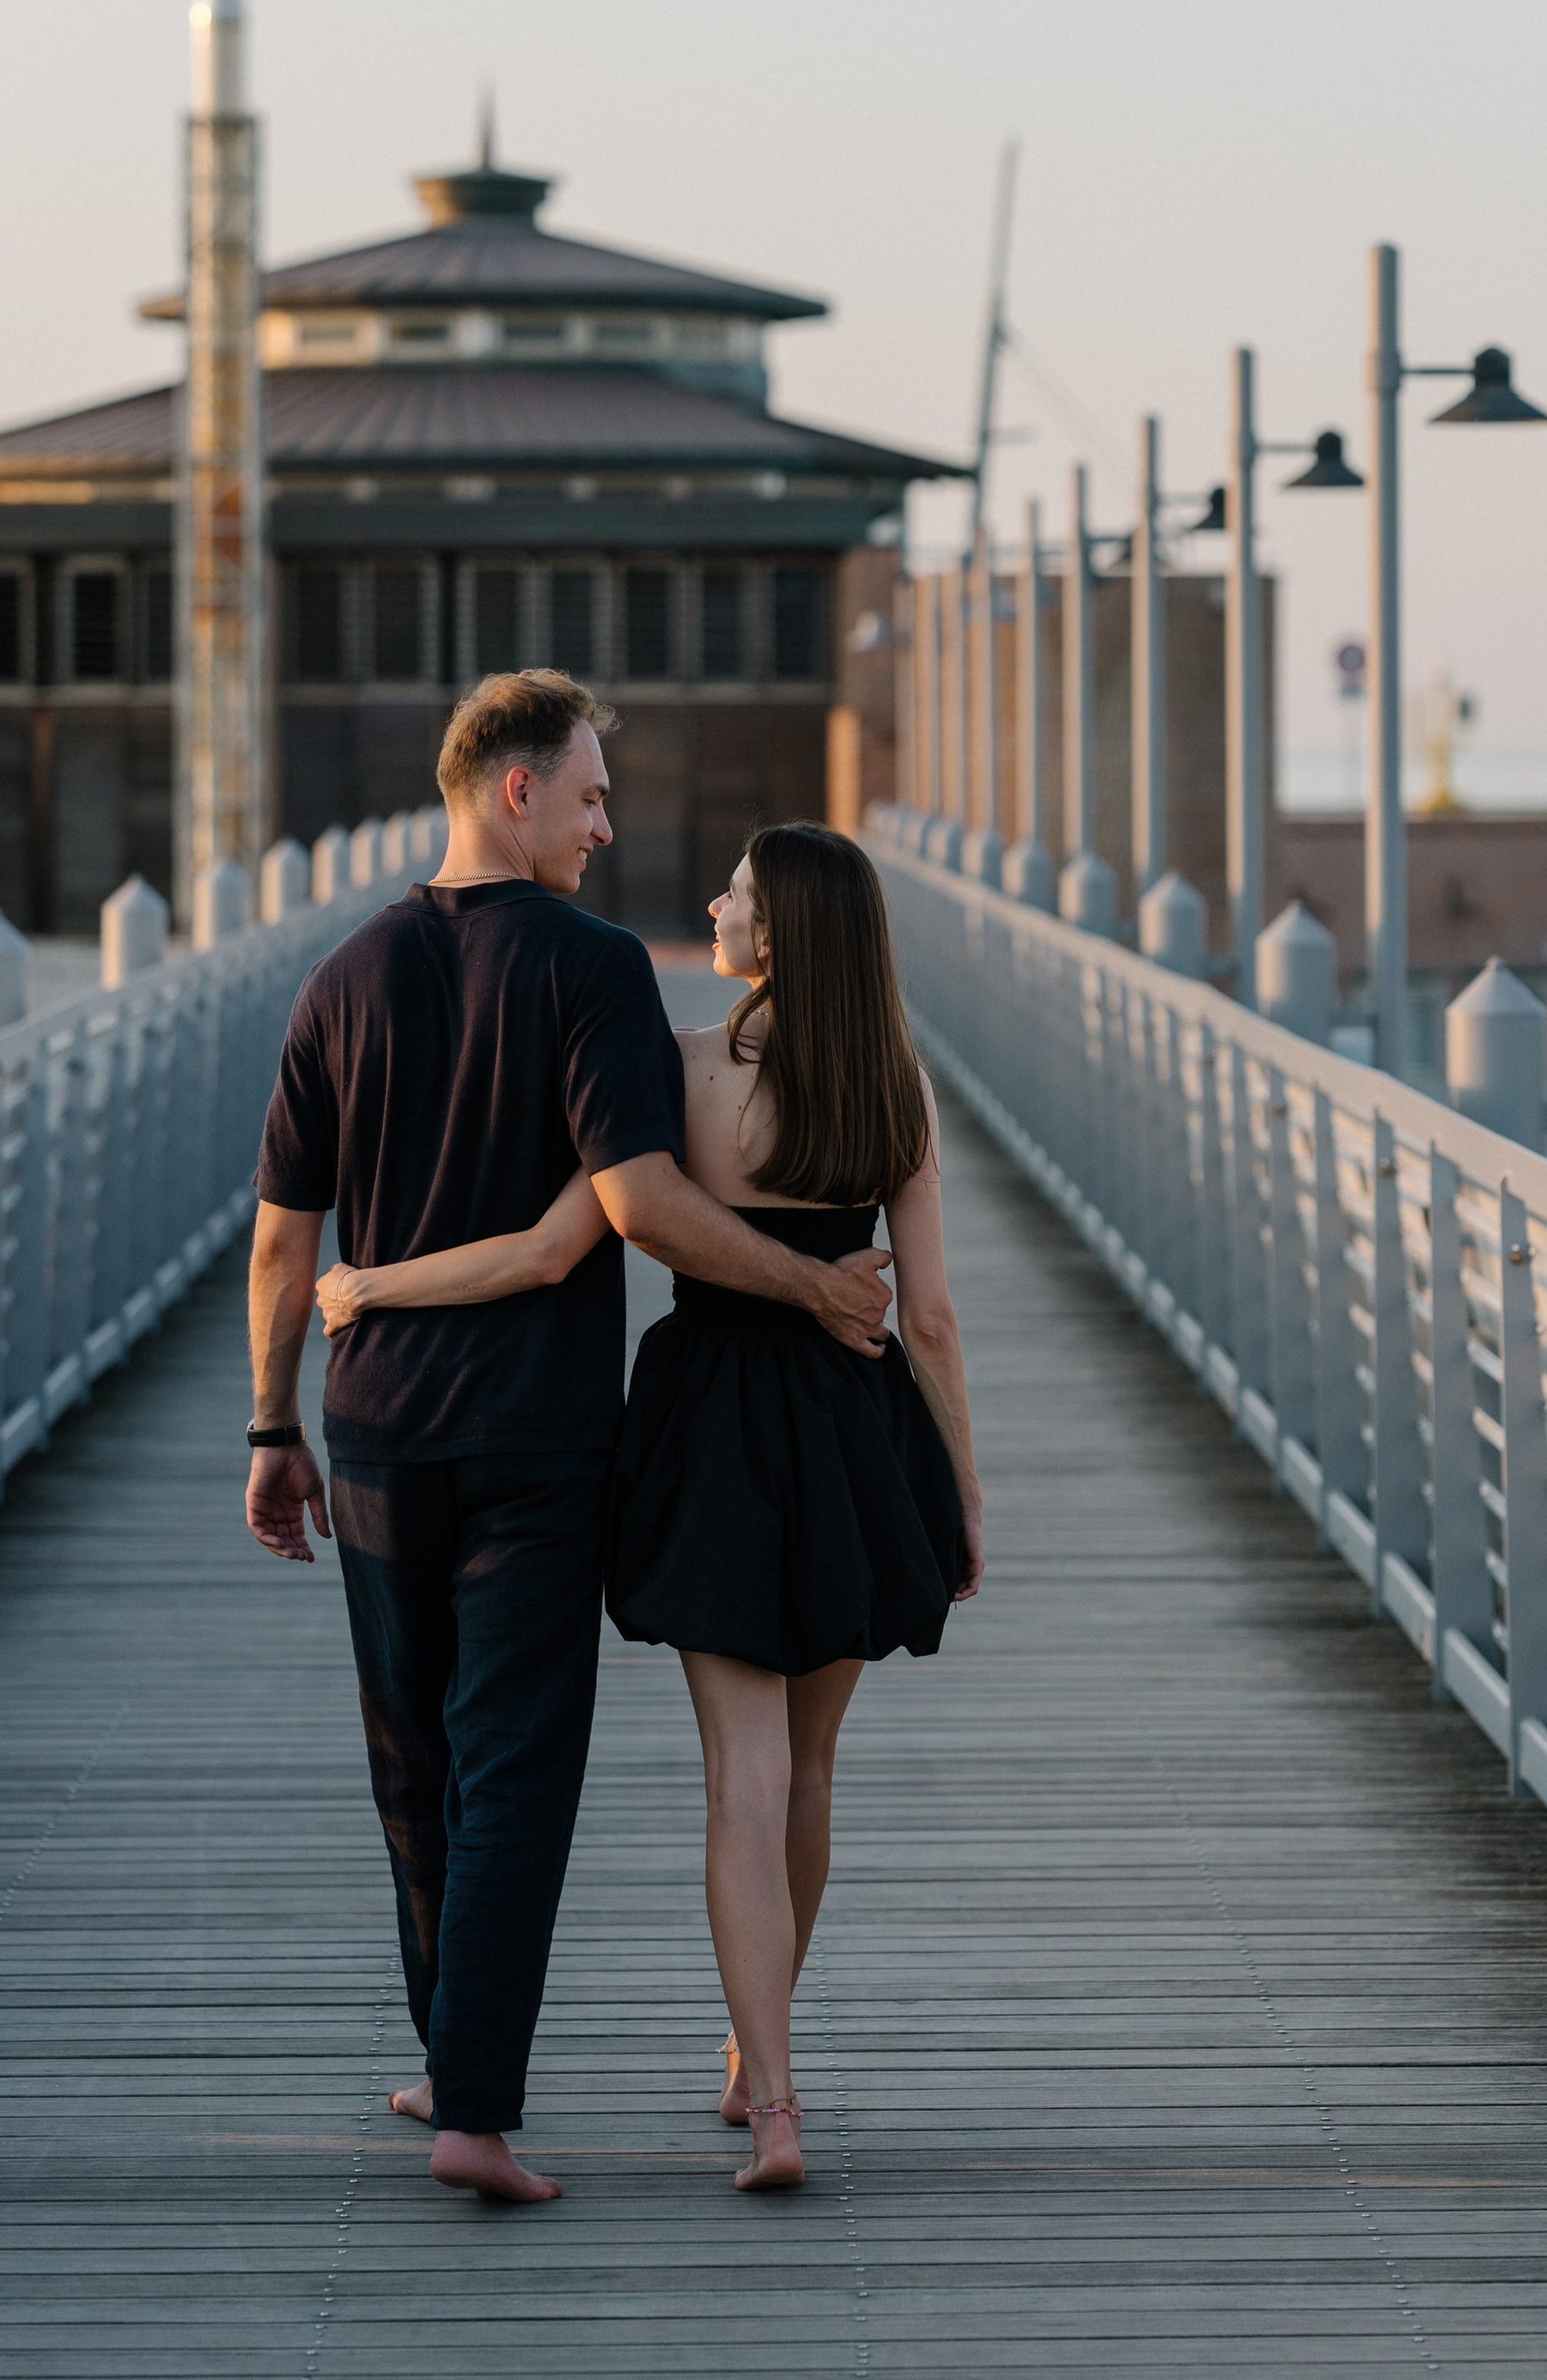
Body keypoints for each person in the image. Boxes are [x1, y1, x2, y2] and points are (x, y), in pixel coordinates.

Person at [243, 673, 896, 2207]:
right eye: (593, 795)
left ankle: (452, 2060)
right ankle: (472, 2098)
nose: (611, 826)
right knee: (514, 1759)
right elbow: (636, 1198)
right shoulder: (594, 970)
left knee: (413, 1759)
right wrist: (814, 1282)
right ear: (515, 789)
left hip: (378, 1426)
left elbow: (284, 1241)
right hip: (540, 1436)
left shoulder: (339, 975)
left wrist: (273, 1423)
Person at [329, 820, 984, 2195]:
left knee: (736, 1778)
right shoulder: (894, 1088)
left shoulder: (684, 1072)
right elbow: (927, 1313)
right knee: (809, 1774)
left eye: (736, 891)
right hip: (857, 1426)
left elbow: (574, 1235)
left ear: (780, 929)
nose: (713, 903)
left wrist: (375, 1286)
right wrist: (961, 1497)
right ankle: (758, 2060)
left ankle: (780, 2097)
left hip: (710, 1429)